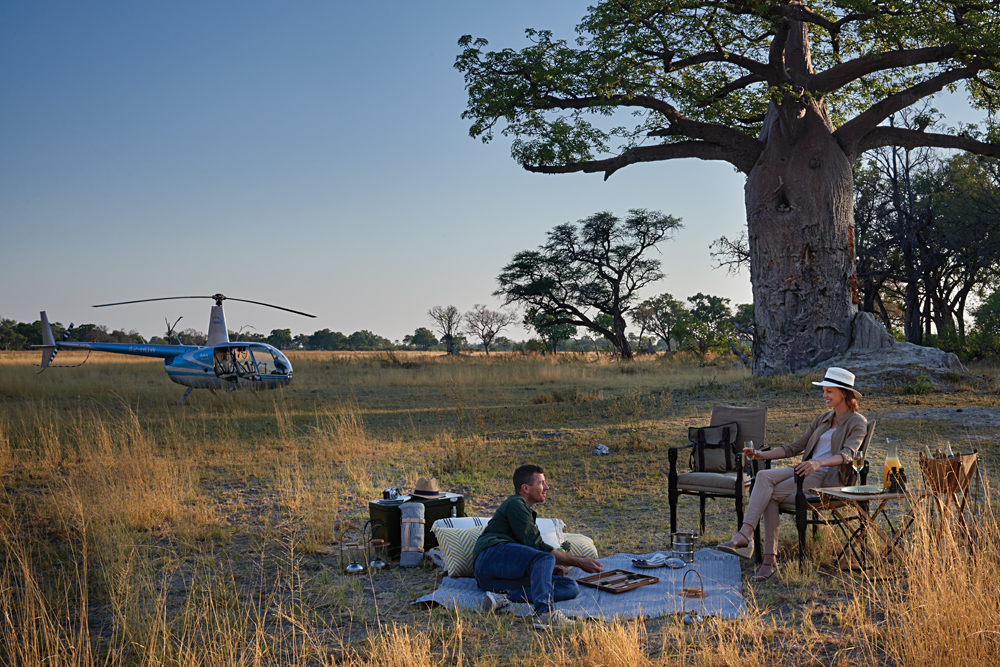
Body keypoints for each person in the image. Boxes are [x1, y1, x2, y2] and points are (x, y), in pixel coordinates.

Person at [716, 367, 867, 582]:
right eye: (823, 391)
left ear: (843, 393)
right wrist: (759, 454)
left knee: (770, 496)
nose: (824, 396)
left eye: (828, 392)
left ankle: (768, 560)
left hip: (827, 477)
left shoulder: (857, 422)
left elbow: (848, 455)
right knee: (763, 478)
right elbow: (793, 447)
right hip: (806, 470)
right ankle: (746, 534)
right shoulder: (822, 419)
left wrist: (818, 462)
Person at [472, 464, 604, 630]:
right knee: (545, 557)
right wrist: (579, 562)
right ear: (526, 488)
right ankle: (545, 614)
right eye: (541, 483)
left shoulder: (524, 509)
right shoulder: (516, 503)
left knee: (569, 587)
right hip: (490, 558)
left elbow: (528, 551)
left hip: (497, 581)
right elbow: (537, 546)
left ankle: (503, 597)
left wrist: (544, 569)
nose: (546, 487)